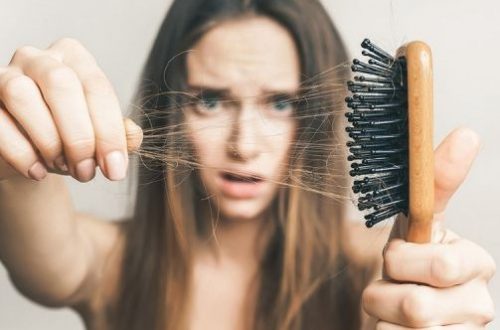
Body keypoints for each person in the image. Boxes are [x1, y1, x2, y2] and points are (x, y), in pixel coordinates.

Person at [0, 0, 495, 329]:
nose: (244, 145)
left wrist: (435, 299)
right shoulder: (107, 263)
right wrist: (19, 132)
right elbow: (38, 238)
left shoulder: (379, 272)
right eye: (212, 100)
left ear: (318, 117)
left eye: (281, 103)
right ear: (170, 103)